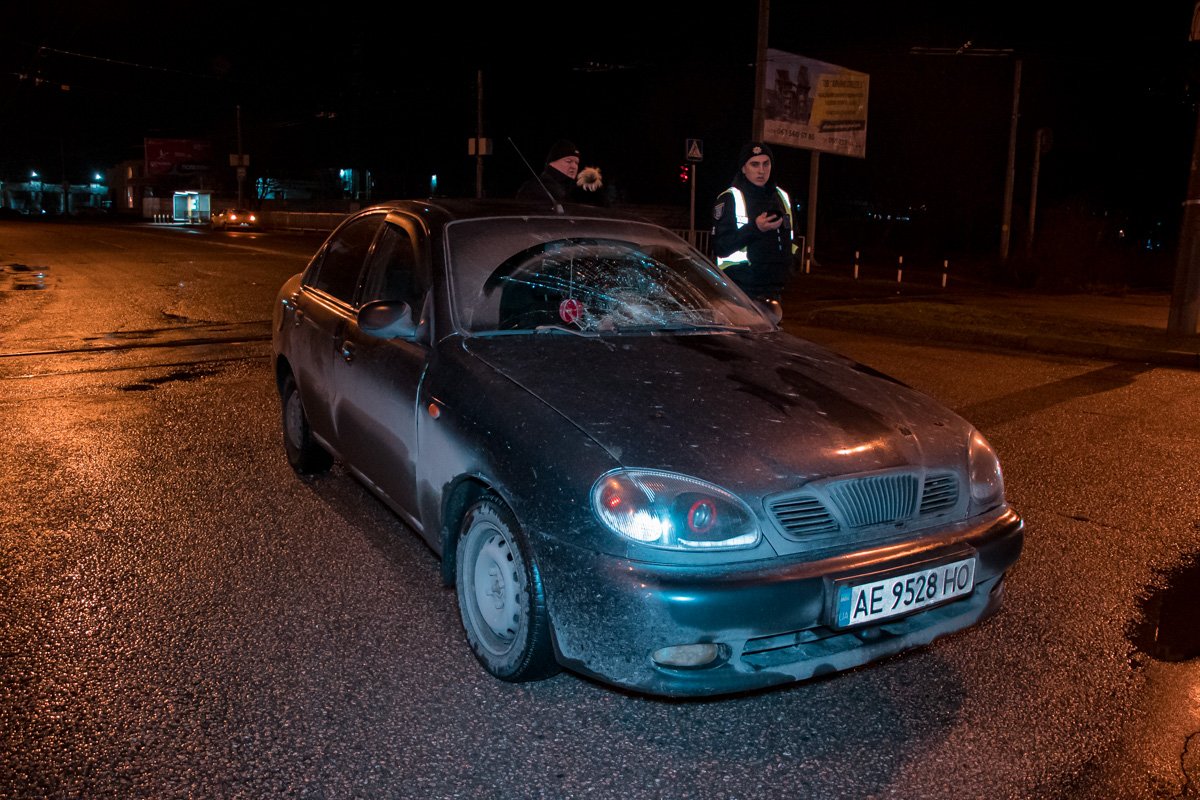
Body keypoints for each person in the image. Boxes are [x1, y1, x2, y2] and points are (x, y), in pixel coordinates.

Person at [711, 141, 797, 308]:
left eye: (766, 164)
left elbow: (793, 236)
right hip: (740, 290)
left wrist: (791, 265)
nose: (761, 170)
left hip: (774, 290)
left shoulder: (781, 196)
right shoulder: (730, 198)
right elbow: (720, 246)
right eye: (754, 164)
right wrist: (755, 228)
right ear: (743, 168)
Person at [516, 139, 605, 207]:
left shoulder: (574, 190)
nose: (574, 166)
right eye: (568, 161)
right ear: (552, 163)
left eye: (576, 163)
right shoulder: (535, 188)